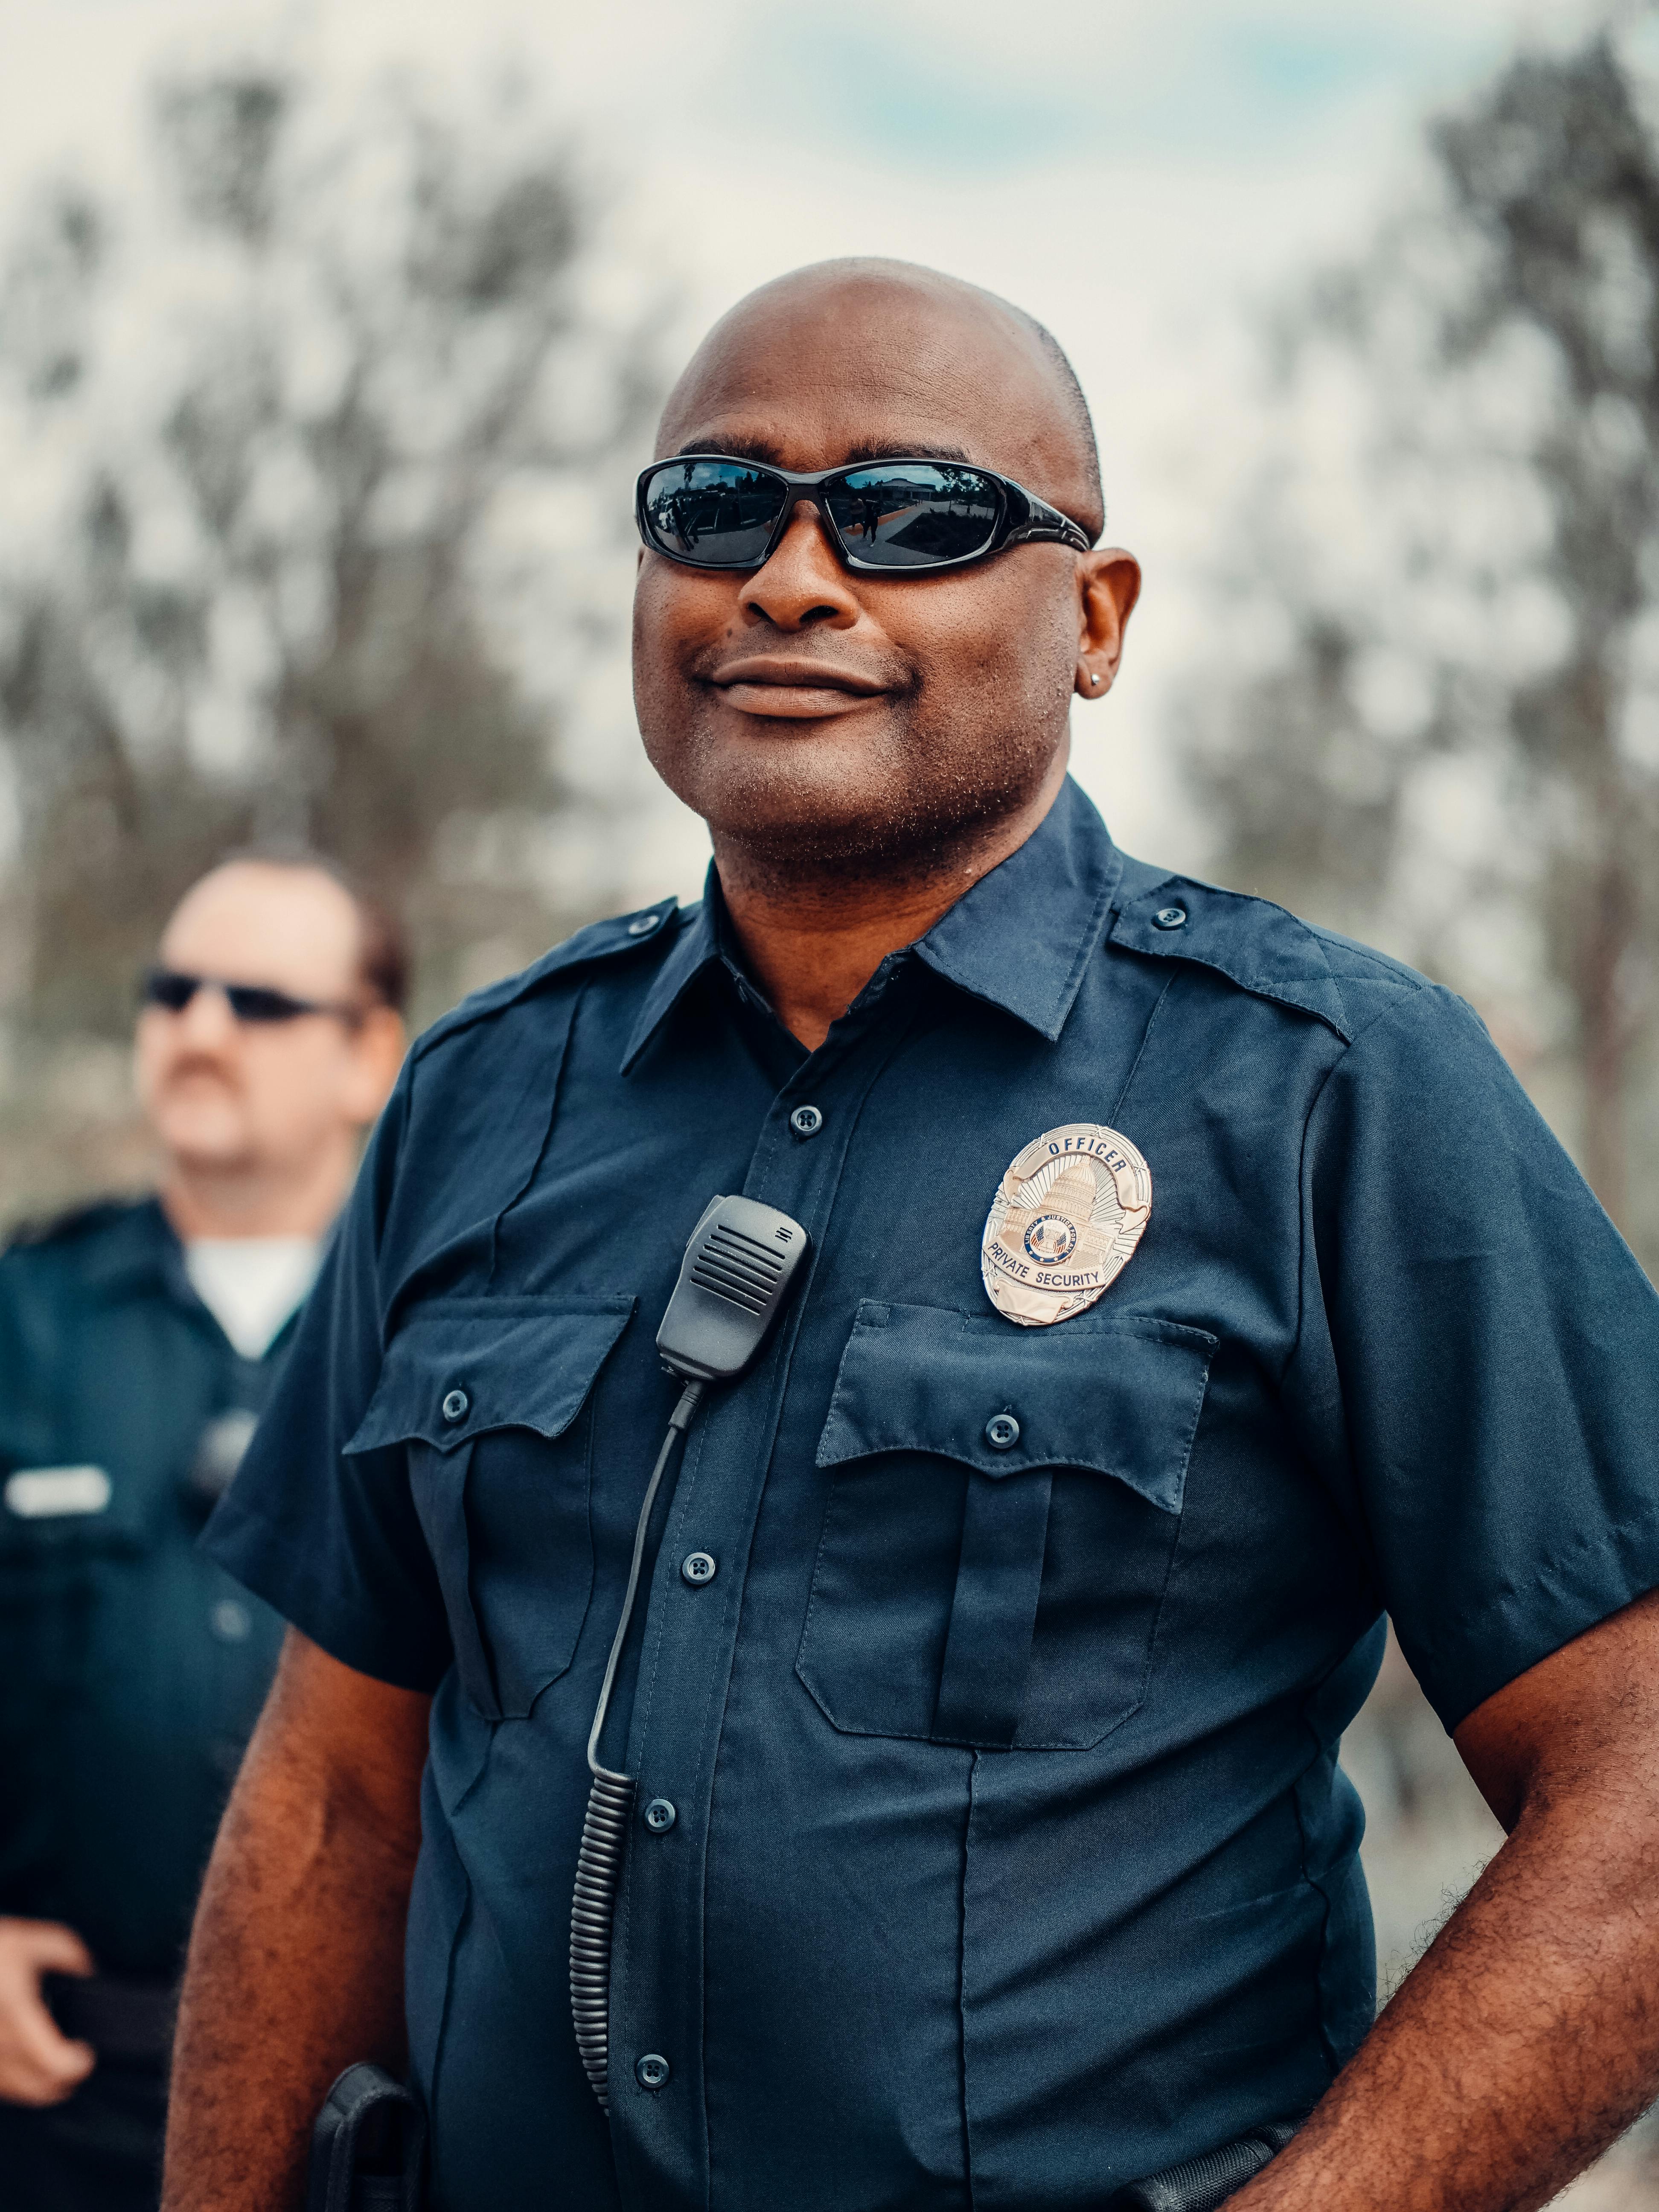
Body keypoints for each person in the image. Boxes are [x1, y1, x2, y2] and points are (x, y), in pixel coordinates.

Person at [168, 261, 1659, 2212]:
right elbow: (336, 1795)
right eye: (716, 508)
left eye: (915, 516)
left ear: (1097, 620)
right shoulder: (480, 1100)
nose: (790, 579)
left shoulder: (1327, 1092)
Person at [0, 853, 407, 2212]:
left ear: (370, 1056)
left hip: (380, 2106)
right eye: (173, 992)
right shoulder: (23, 1317)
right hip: (58, 2091)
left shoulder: (457, 1338)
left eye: (261, 1002)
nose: (202, 1030)